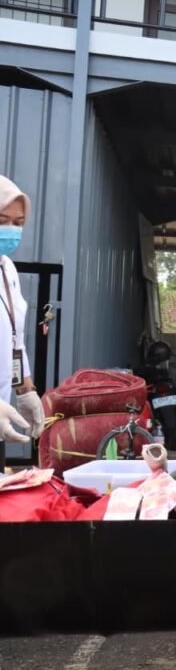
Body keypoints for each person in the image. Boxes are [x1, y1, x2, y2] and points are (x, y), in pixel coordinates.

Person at [0, 176, 46, 471]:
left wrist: (25, 389)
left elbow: (14, 339)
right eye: (3, 219)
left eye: (18, 222)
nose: (11, 230)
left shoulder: (7, 269)